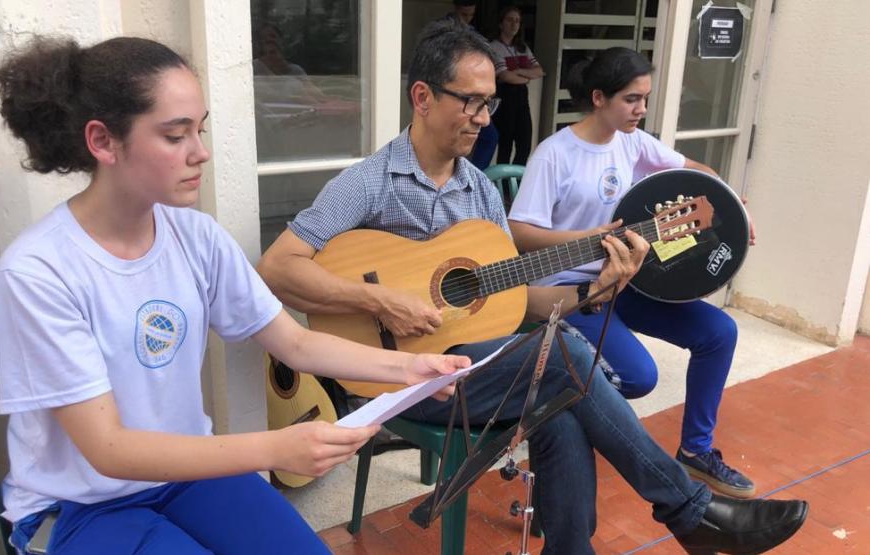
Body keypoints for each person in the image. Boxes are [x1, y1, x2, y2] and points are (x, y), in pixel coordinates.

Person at [258, 21, 806, 555]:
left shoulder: (478, 191)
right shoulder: (369, 182)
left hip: (469, 369)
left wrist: (601, 287)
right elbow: (278, 268)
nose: (482, 119)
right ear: (422, 97)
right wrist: (378, 299)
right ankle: (690, 512)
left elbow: (522, 302)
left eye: (489, 103)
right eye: (470, 102)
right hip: (394, 378)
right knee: (564, 356)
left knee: (562, 405)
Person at [0, 35, 472, 555]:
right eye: (175, 136)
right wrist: (276, 448)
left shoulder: (195, 237)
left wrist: (406, 370)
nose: (201, 152)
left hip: (186, 475)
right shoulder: (38, 273)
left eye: (200, 129)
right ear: (103, 141)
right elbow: (108, 450)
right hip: (82, 506)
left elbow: (295, 344)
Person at [508, 47, 757, 500]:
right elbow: (519, 232)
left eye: (645, 98)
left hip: (626, 279)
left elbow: (696, 171)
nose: (642, 109)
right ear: (599, 97)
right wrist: (589, 239)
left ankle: (696, 452)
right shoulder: (555, 155)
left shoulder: (633, 142)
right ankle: (559, 433)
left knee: (718, 331)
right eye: (631, 99)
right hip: (569, 290)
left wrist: (731, 206)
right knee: (638, 377)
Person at [446, 0, 498, 170]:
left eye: (471, 15)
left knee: (489, 136)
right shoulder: (443, 30)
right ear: (456, 9)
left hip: (472, 91)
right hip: (451, 90)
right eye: (464, 15)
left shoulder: (472, 32)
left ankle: (475, 173)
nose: (467, 19)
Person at [489, 5, 544, 165]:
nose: (514, 24)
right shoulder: (493, 47)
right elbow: (505, 76)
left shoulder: (522, 47)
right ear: (501, 23)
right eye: (510, 20)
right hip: (505, 98)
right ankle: (503, 186)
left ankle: (515, 182)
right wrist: (526, 76)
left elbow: (540, 71)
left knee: (525, 144)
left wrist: (519, 72)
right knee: (505, 146)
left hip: (521, 98)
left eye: (517, 21)